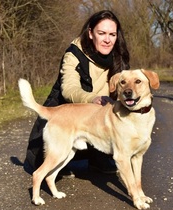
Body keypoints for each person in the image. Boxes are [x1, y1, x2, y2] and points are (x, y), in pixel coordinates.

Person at [24, 10, 130, 175]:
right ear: (90, 33)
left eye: (112, 34)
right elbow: (69, 88)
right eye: (101, 33)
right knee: (41, 162)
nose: (107, 40)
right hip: (65, 115)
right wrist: (91, 98)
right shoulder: (73, 54)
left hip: (98, 119)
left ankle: (98, 157)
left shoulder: (120, 57)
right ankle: (63, 159)